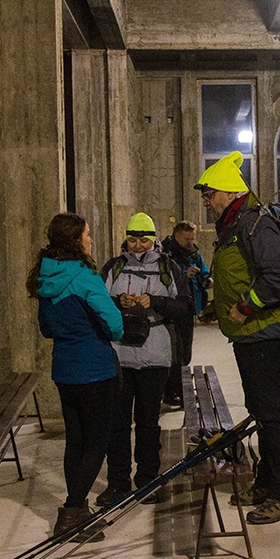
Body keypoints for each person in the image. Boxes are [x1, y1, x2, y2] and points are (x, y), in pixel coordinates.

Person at [196, 150, 280, 525]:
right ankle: (267, 484)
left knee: (273, 416)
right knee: (262, 412)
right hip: (251, 334)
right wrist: (219, 305)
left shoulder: (254, 224)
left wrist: (243, 306)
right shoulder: (236, 224)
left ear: (226, 192)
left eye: (209, 195)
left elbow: (277, 276)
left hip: (266, 333)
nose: (206, 203)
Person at [26, 212, 123, 542]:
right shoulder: (83, 275)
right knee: (97, 441)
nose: (91, 239)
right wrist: (109, 329)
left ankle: (79, 509)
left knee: (76, 439)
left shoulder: (46, 276)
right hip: (94, 368)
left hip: (65, 370)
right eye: (87, 234)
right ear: (75, 239)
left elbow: (46, 327)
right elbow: (113, 323)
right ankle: (70, 514)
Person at [96, 213, 193, 507]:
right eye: (133, 239)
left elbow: (186, 307)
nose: (138, 246)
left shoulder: (168, 267)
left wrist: (157, 302)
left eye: (144, 239)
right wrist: (117, 303)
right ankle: (118, 483)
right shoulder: (114, 267)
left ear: (154, 239)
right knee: (118, 423)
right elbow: (97, 304)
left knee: (148, 421)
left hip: (154, 354)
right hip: (121, 355)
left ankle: (148, 479)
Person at [160, 221, 212, 407]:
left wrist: (207, 279)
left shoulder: (192, 252)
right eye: (187, 239)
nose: (191, 242)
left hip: (189, 307)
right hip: (173, 308)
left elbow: (204, 270)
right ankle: (173, 391)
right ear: (176, 235)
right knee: (176, 353)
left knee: (185, 352)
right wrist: (184, 273)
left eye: (193, 238)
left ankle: (177, 389)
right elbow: (165, 277)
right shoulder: (166, 253)